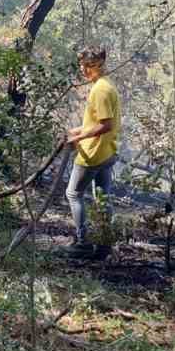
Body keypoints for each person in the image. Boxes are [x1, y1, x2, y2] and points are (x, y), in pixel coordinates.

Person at [65, 46, 120, 258]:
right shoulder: (106, 85)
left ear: (101, 65)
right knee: (103, 197)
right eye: (83, 65)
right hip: (107, 151)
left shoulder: (101, 90)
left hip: (94, 153)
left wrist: (78, 138)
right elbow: (98, 122)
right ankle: (105, 244)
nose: (84, 70)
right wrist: (76, 130)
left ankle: (82, 243)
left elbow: (106, 125)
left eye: (90, 66)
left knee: (73, 194)